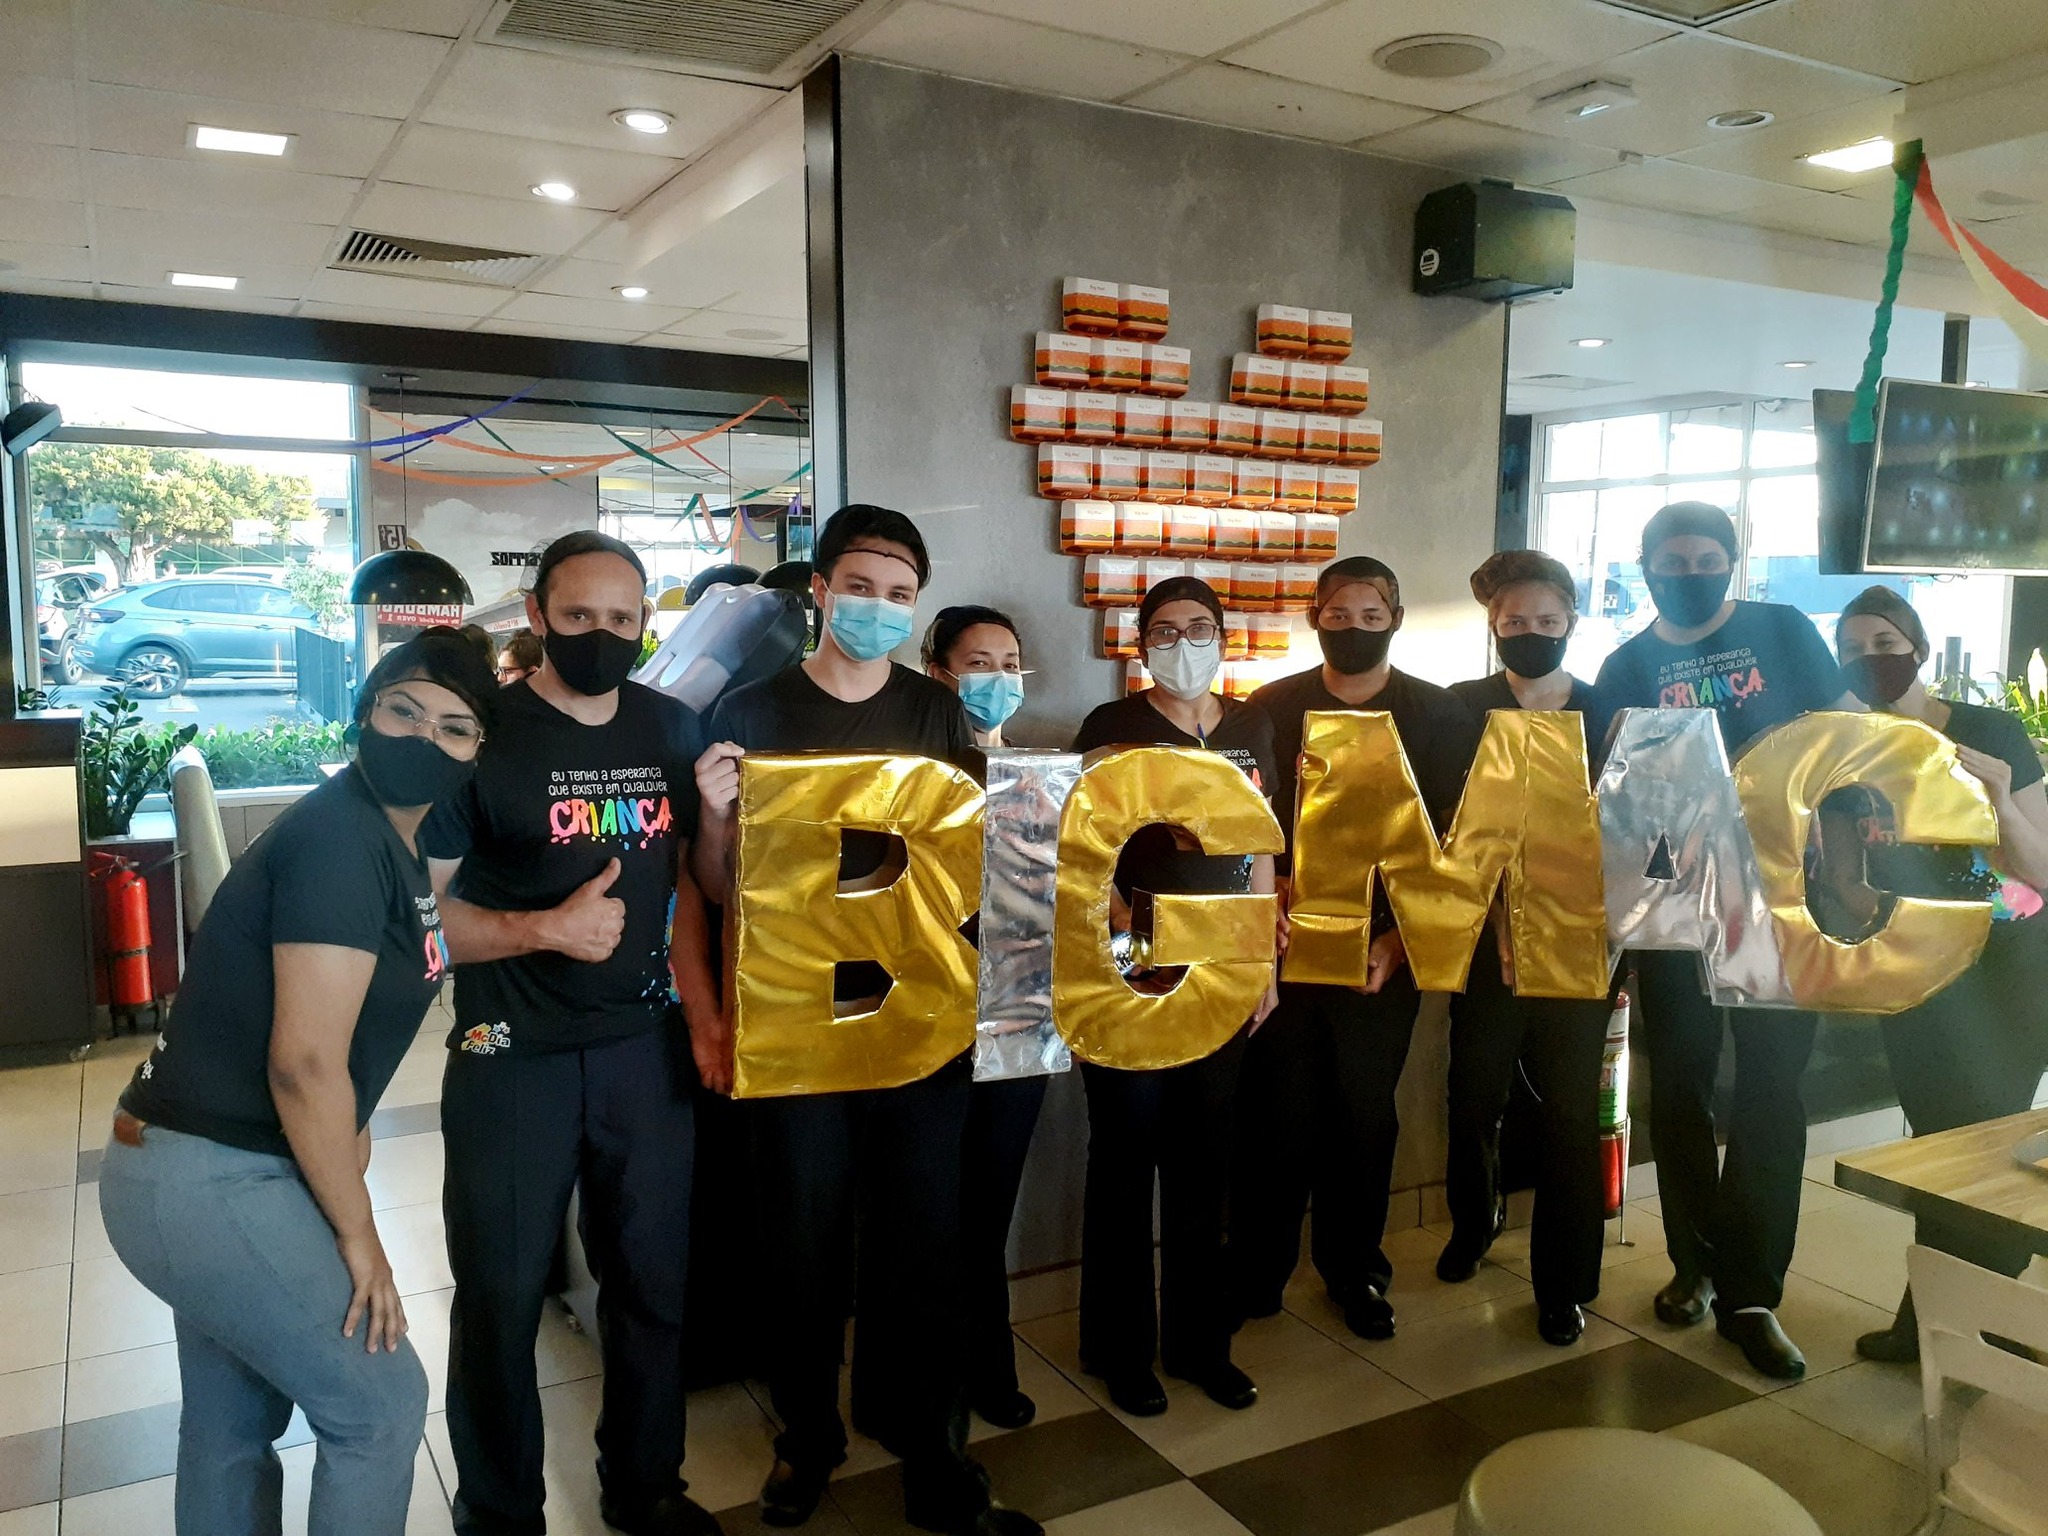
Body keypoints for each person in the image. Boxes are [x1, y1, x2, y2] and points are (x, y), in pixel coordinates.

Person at [98, 629, 495, 1536]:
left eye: (454, 728)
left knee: (232, 1426)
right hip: (213, 1180)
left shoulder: (389, 838)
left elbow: (374, 991)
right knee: (381, 1406)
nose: (424, 738)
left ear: (477, 752)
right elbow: (305, 1062)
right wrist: (361, 1238)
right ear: (364, 712)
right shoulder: (341, 841)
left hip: (189, 1170)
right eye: (405, 711)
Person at [692, 506, 1039, 1536]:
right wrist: (712, 817)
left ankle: (930, 1446)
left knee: (922, 1242)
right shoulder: (750, 711)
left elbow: (975, 867)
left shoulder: (936, 715)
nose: (876, 608)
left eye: (898, 595)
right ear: (820, 591)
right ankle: (807, 1441)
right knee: (800, 1244)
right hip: (798, 1023)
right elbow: (713, 888)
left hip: (918, 1022)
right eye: (859, 588)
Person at [422, 531, 721, 1536]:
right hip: (509, 1055)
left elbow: (696, 885)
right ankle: (500, 1512)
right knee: (500, 1295)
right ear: (538, 615)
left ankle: (646, 1487)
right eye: (581, 615)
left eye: (623, 619)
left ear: (646, 625)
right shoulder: (480, 738)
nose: (604, 634)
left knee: (650, 1286)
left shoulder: (672, 728)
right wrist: (540, 930)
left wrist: (702, 1011)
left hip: (643, 1051)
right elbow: (414, 921)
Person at [1592, 500, 1854, 1380]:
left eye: (1708, 560)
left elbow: (1844, 740)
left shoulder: (1783, 632)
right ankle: (1693, 1262)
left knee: (1772, 1089)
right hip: (1677, 909)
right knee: (1681, 1086)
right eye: (1673, 562)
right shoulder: (1626, 664)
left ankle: (1753, 1292)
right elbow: (1619, 798)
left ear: (1732, 563)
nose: (1691, 574)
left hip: (1782, 901)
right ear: (1646, 568)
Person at [1227, 556, 1480, 1340]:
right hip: (1287, 953)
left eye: (1372, 616)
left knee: (1363, 1116)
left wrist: (1403, 942)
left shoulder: (1438, 714)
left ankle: (1356, 1271)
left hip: (1383, 955)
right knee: (1277, 1116)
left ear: (1396, 620)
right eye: (1338, 615)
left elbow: (1459, 842)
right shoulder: (1270, 707)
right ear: (1314, 617)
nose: (1354, 629)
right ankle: (1258, 1270)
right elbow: (1246, 826)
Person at [1811, 586, 2048, 1362]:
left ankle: (1973, 1325)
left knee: (1983, 1150)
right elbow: (1844, 879)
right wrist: (1892, 910)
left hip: (2010, 975)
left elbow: (2042, 869)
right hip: (1918, 974)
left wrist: (2001, 799)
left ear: (1916, 644)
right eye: (1852, 649)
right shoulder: (1851, 751)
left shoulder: (1989, 732)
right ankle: (1943, 1319)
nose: (1870, 659)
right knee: (1938, 1149)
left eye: (1885, 643)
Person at [1069, 576, 1278, 1416]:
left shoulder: (1253, 725)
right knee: (1125, 1157)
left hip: (1220, 978)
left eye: (1198, 627)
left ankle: (1201, 1346)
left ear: (1223, 637)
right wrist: (1129, 942)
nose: (1182, 643)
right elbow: (1082, 847)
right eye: (1163, 629)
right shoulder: (1110, 725)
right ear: (1140, 643)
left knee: (1205, 1161)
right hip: (1130, 975)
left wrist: (1260, 964)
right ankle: (1119, 1350)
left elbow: (1263, 846)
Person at [1441, 551, 1610, 1346]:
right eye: (1515, 622)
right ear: (1494, 626)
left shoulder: (1607, 712)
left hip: (1578, 942)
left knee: (1570, 1113)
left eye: (1546, 620)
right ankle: (1473, 1222)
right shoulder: (1459, 708)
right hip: (1483, 941)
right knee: (1474, 1093)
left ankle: (1564, 1283)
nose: (1531, 632)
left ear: (1571, 620)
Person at [920, 605, 1042, 1428]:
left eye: (1009, 663)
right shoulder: (912, 776)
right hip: (928, 1012)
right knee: (928, 1207)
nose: (996, 679)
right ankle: (929, 1375)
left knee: (991, 1202)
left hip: (1021, 1010)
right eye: (977, 664)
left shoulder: (1042, 775)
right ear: (938, 674)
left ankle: (988, 1361)